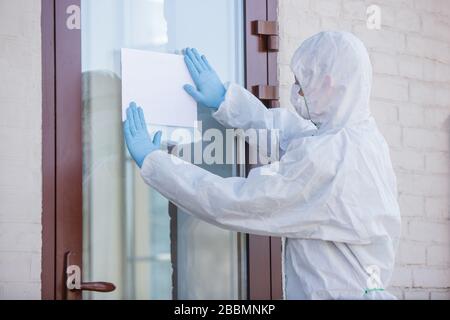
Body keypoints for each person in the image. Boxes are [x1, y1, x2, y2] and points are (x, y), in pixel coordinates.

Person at [123, 31, 401, 300]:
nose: (296, 92)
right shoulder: (363, 140)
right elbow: (286, 134)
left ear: (327, 84)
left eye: (300, 83)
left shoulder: (331, 157)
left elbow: (235, 201)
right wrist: (226, 100)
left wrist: (155, 163)